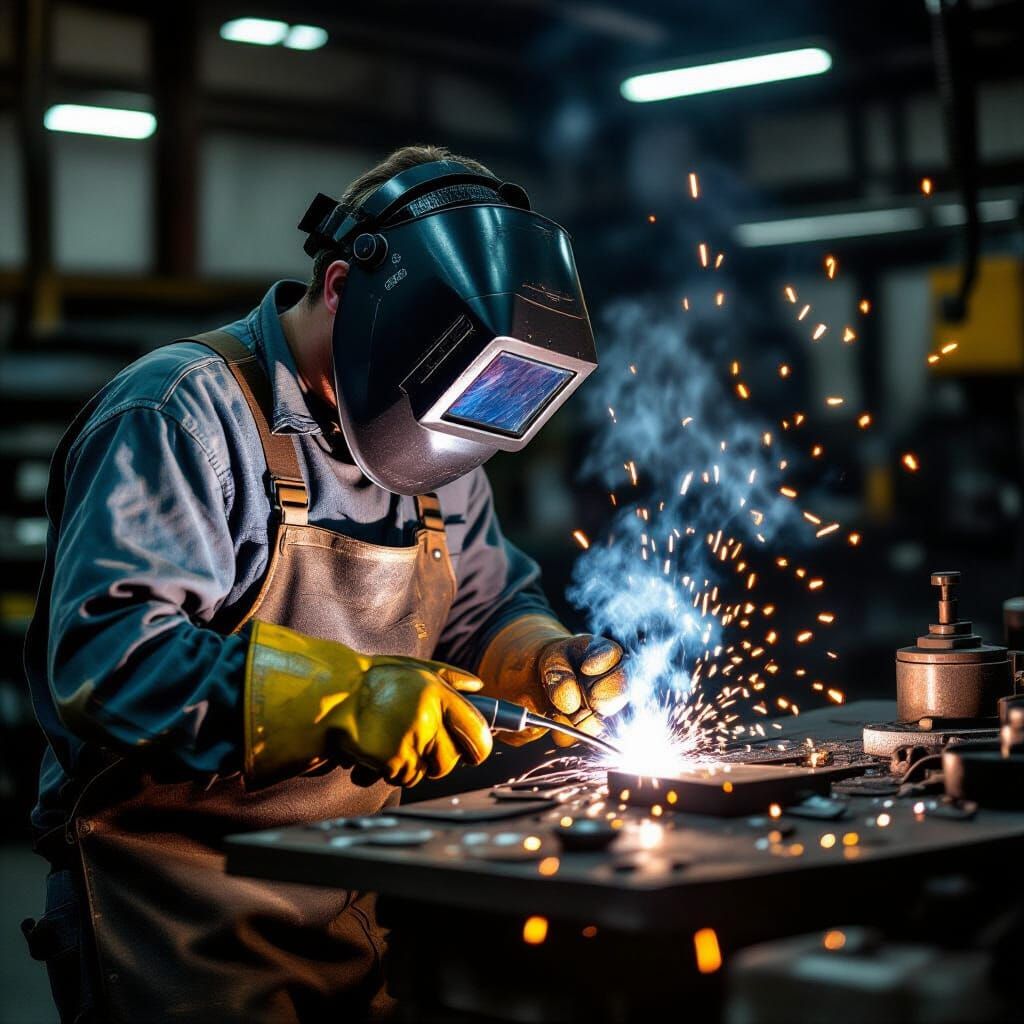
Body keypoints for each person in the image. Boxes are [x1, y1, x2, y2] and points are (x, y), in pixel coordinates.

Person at [21, 144, 629, 1023]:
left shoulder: (445, 439)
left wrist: (533, 655)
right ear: (343, 288)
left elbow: (484, 603)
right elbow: (106, 660)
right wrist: (341, 701)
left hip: (347, 891)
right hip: (176, 914)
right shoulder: (181, 412)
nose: (449, 432)